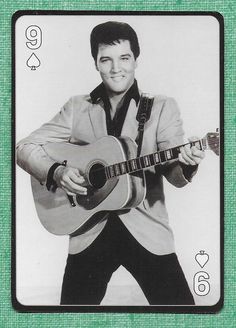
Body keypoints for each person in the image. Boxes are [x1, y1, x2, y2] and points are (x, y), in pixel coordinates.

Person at [17, 21, 205, 305]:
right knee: (72, 321)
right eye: (106, 59)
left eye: (124, 58)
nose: (116, 68)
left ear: (136, 60)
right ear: (96, 63)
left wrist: (188, 163)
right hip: (88, 231)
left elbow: (175, 176)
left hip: (146, 230)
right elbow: (23, 147)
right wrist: (57, 171)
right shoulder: (76, 108)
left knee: (182, 316)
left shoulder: (162, 107)